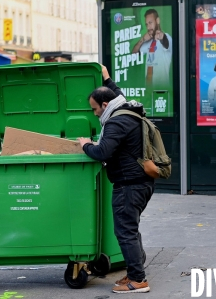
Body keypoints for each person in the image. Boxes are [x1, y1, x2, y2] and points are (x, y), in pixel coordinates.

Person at [78, 66, 154, 294]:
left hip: (129, 185)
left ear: (104, 105)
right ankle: (134, 272)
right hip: (140, 182)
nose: (94, 114)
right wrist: (107, 77)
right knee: (130, 228)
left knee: (125, 231)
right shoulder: (127, 109)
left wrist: (85, 145)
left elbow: (102, 152)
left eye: (94, 109)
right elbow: (116, 93)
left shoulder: (116, 122)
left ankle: (138, 280)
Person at [131, 9, 172, 89]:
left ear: (157, 21)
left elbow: (165, 41)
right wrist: (142, 39)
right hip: (148, 89)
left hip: (162, 89)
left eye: (150, 23)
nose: (148, 27)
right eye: (146, 24)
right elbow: (134, 54)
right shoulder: (148, 42)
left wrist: (161, 36)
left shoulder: (167, 38)